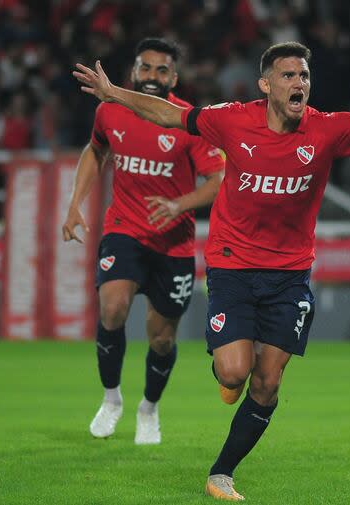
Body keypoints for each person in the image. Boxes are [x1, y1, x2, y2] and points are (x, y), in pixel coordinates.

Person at [73, 41, 350, 499]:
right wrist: (112, 93)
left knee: (267, 384)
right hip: (232, 264)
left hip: (290, 274)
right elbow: (170, 114)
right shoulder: (231, 119)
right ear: (265, 84)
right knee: (233, 373)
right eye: (289, 76)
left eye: (304, 76)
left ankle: (222, 472)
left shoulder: (329, 129)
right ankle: (219, 379)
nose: (299, 83)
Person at [62, 38, 224, 445]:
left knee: (162, 337)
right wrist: (75, 203)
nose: (152, 76)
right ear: (134, 71)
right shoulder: (109, 110)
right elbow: (95, 150)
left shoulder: (189, 122)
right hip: (125, 230)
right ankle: (111, 399)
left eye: (162, 70)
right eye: (146, 68)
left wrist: (178, 205)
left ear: (175, 77)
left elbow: (219, 180)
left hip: (174, 244)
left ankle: (148, 409)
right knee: (112, 307)